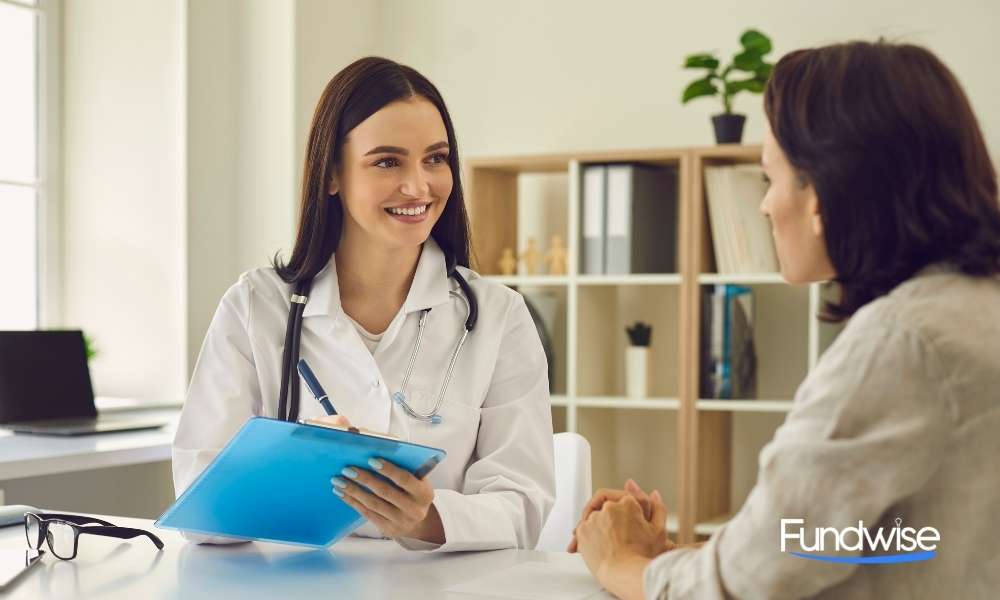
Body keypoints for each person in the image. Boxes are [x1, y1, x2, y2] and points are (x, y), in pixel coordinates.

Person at [572, 40, 1000, 599]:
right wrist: (678, 557)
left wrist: (621, 560)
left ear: (821, 194)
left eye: (769, 178)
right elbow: (842, 546)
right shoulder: (972, 309)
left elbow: (740, 592)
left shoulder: (900, 343)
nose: (764, 205)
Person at [173, 57, 555, 552]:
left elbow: (524, 504)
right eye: (387, 161)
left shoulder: (498, 316)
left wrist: (427, 516)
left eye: (435, 159)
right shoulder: (255, 306)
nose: (419, 186)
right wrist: (291, 465)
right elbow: (200, 516)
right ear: (332, 174)